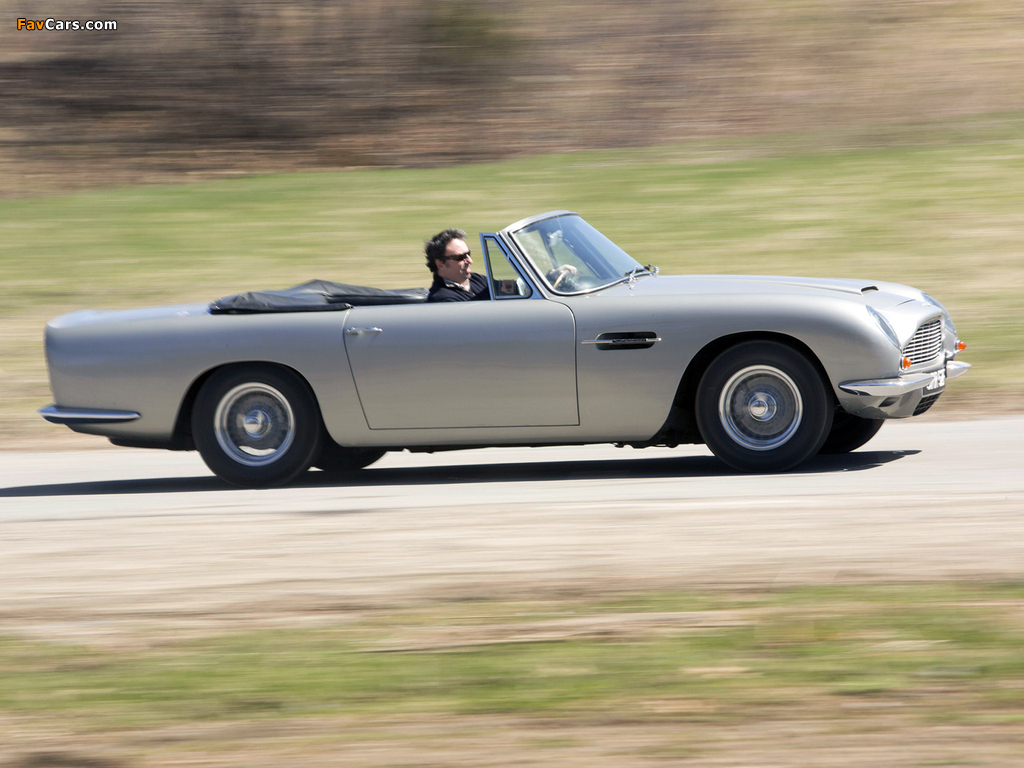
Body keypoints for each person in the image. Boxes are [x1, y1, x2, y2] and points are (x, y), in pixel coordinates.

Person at [424, 228, 490, 302]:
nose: (470, 261)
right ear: (441, 264)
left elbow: (500, 288)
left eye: (468, 254)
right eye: (461, 257)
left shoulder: (478, 279)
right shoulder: (443, 299)